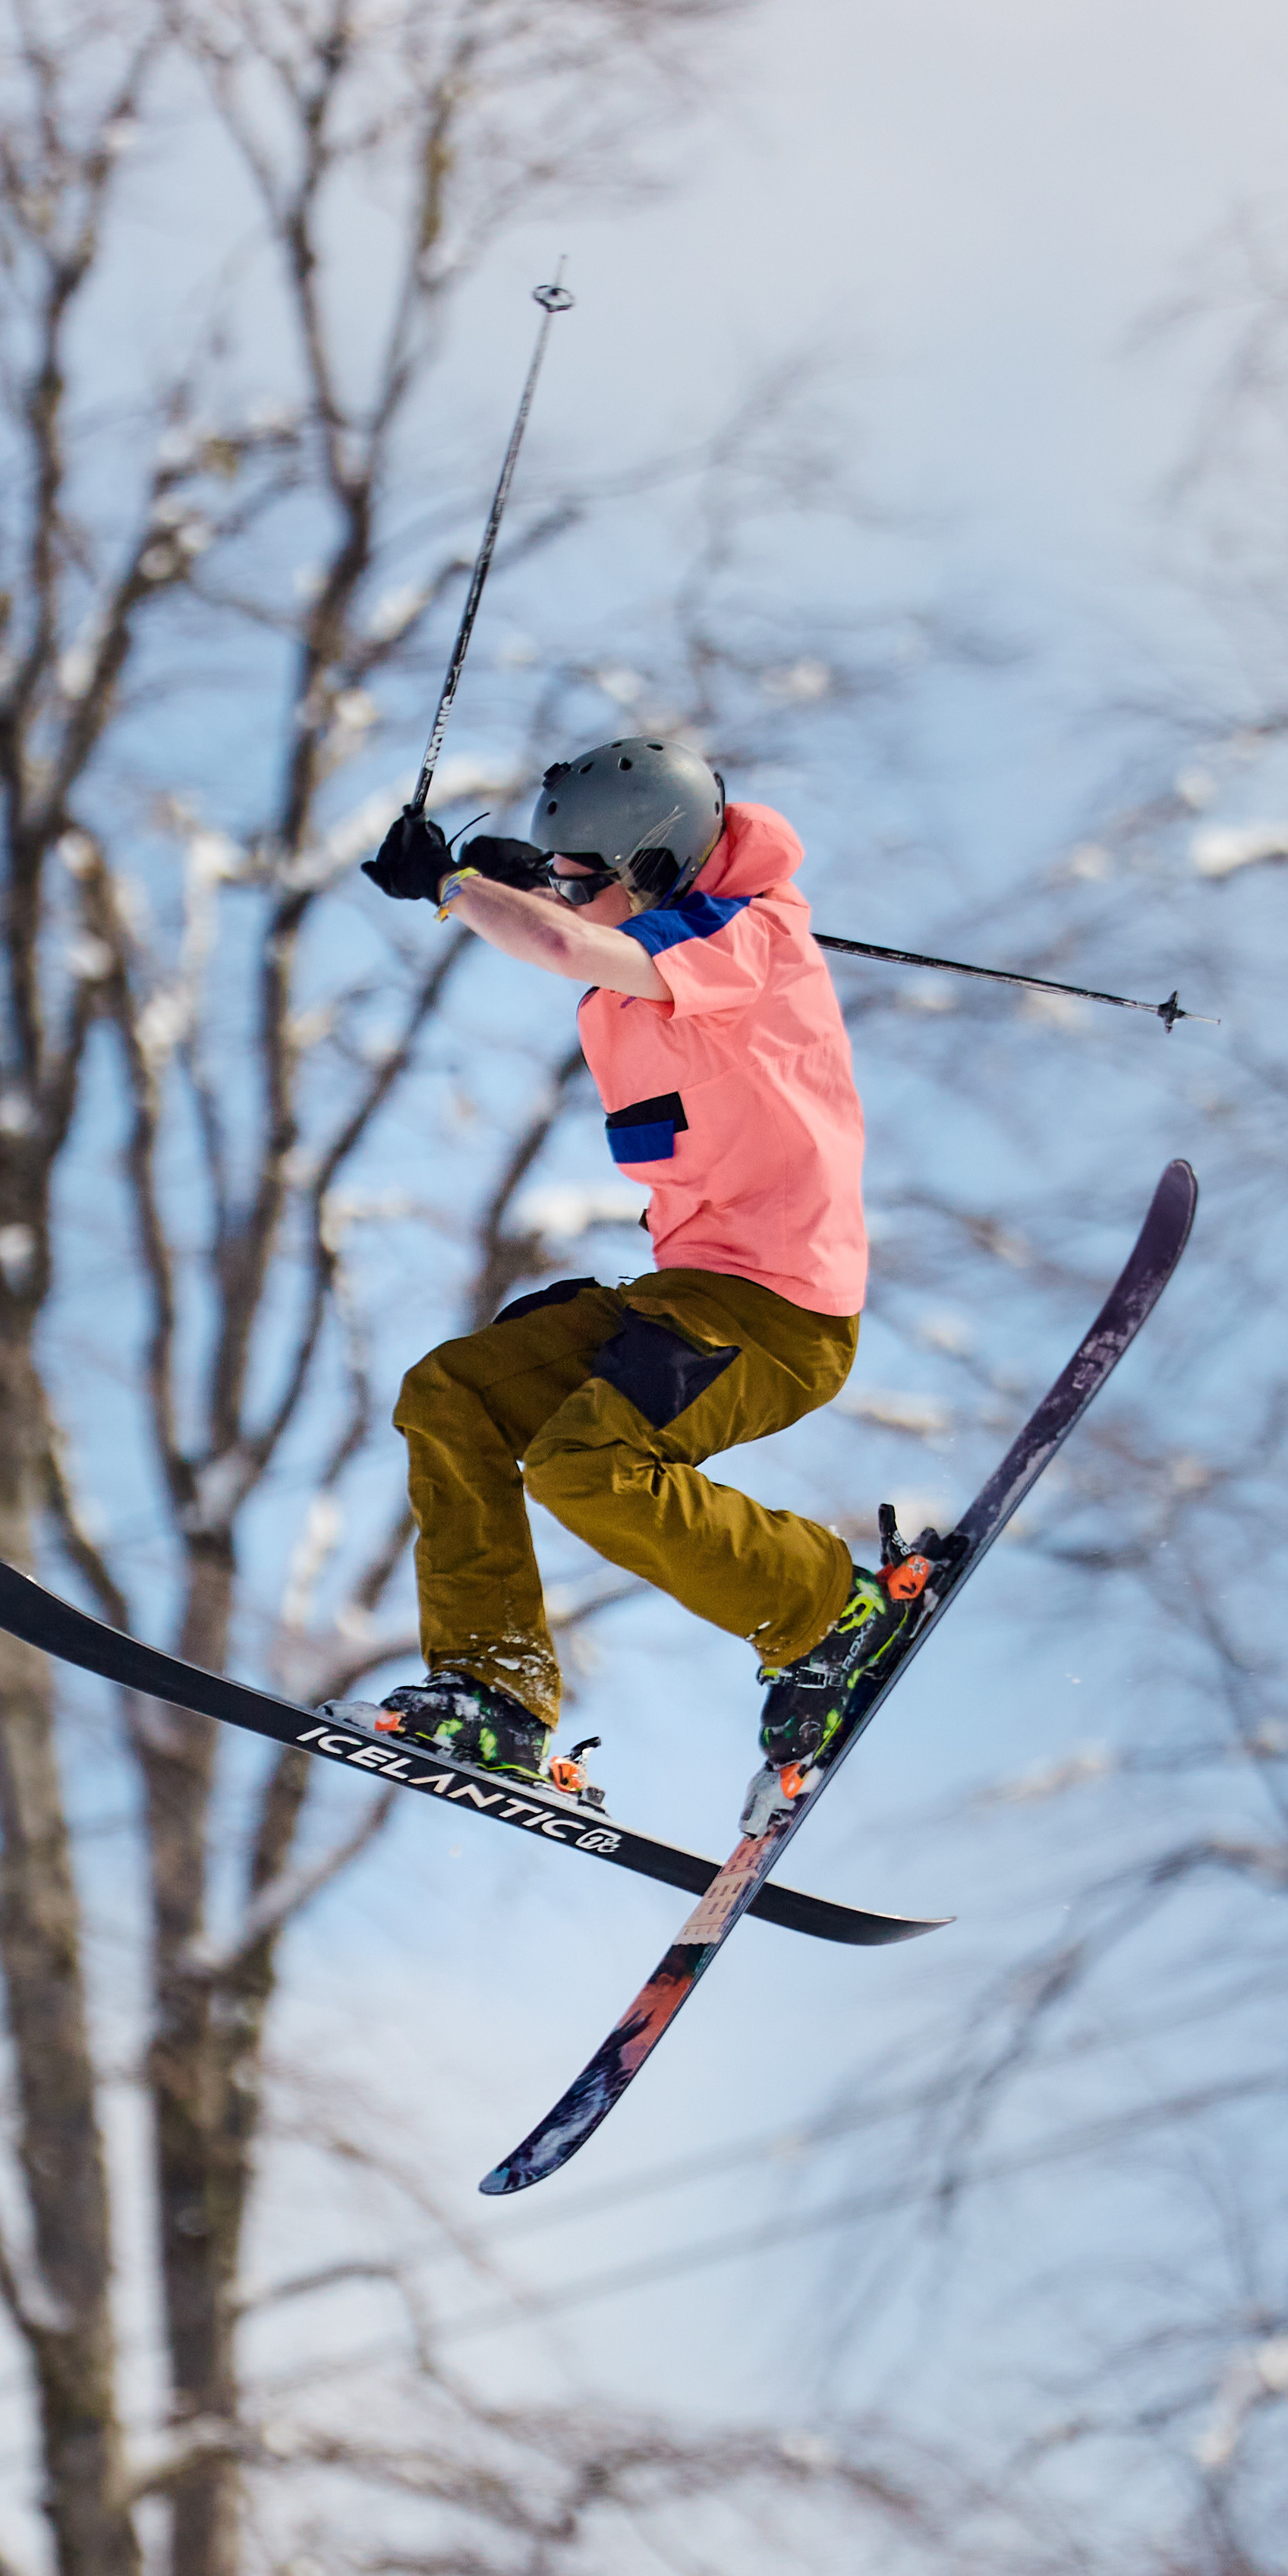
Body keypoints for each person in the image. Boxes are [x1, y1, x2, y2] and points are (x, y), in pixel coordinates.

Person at [356, 736, 931, 1823]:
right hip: (691, 1295)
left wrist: (452, 884)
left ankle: (829, 1611)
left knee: (586, 1466)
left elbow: (574, 946)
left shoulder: (740, 936)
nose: (563, 889)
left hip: (781, 1316)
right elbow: (577, 926)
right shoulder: (671, 933)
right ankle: (492, 1690)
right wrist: (525, 880)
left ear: (657, 869)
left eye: (583, 873)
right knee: (457, 1391)